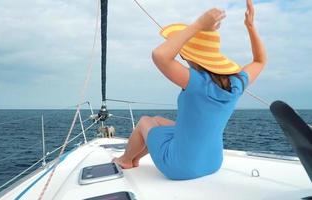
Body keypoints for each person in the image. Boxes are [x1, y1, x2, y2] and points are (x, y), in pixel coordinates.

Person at [112, 0, 266, 180]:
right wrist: (250, 26)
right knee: (158, 120)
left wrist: (199, 24)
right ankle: (136, 155)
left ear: (191, 57)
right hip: (213, 163)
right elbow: (259, 61)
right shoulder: (237, 83)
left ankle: (126, 160)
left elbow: (159, 55)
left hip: (180, 167)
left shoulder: (196, 82)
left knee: (145, 121)